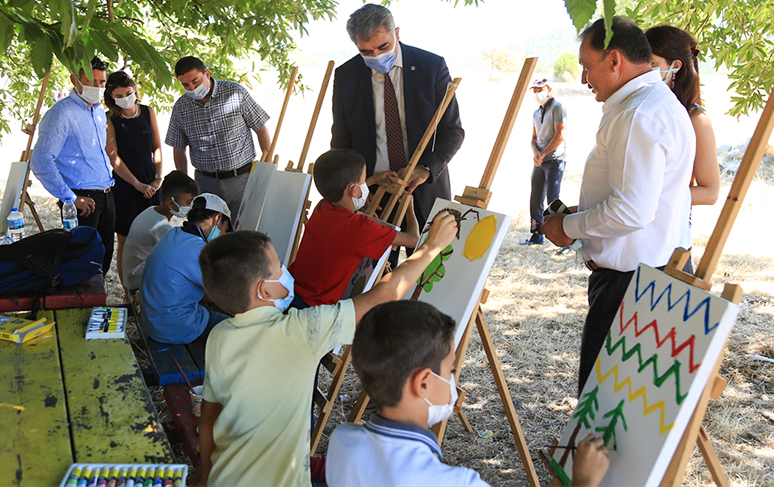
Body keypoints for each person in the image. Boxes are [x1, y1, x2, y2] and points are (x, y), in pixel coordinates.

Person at [194, 210, 459, 487]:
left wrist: (205, 475)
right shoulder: (300, 332)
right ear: (265, 290)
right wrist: (431, 247)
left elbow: (209, 416)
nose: (285, 272)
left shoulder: (219, 336)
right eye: (278, 267)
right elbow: (384, 295)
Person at [541, 17, 695, 394]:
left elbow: (632, 210)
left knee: (607, 406)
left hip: (633, 283)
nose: (582, 79)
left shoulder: (638, 114)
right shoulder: (652, 104)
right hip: (648, 273)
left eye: (586, 67)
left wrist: (568, 227)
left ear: (614, 61)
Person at [327, 301, 610, 487]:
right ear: (423, 383)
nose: (454, 381)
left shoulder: (343, 441)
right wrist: (583, 481)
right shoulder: (456, 483)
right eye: (449, 371)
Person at [331, 4, 465, 246]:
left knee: (432, 273)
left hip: (426, 190)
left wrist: (425, 169)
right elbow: (341, 144)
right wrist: (360, 188)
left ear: (397, 33)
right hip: (375, 195)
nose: (376, 56)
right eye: (366, 52)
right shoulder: (346, 75)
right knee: (379, 276)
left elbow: (453, 131)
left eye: (383, 46)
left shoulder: (431, 67)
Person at [289, 149, 420, 308]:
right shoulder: (361, 227)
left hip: (289, 293)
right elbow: (413, 240)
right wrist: (409, 207)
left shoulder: (322, 207)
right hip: (315, 310)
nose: (366, 185)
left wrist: (373, 180)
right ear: (354, 189)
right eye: (363, 181)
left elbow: (345, 191)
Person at [30, 56, 115, 275]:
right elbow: (41, 161)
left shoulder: (98, 111)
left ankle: (98, 305)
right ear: (74, 80)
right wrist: (70, 198)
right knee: (82, 262)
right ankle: (83, 306)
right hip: (82, 198)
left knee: (103, 260)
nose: (97, 87)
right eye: (91, 81)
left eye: (101, 82)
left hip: (106, 194)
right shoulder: (61, 113)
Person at [165, 56, 272, 215]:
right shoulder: (181, 108)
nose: (192, 88)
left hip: (242, 179)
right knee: (210, 235)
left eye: (196, 81)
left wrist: (267, 166)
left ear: (207, 74)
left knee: (244, 234)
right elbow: (179, 149)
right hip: (205, 183)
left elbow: (261, 129)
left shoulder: (236, 92)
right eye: (186, 85)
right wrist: (185, 183)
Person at [139, 193, 231, 344]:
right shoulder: (200, 250)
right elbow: (225, 295)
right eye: (224, 230)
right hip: (176, 327)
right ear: (217, 218)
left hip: (153, 321)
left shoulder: (173, 234)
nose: (222, 237)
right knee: (240, 328)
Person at [645, 25, 720, 206]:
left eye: (653, 64)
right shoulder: (643, 110)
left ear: (675, 66)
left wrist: (646, 199)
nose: (645, 71)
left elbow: (710, 192)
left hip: (666, 225)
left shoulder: (697, 119)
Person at [104, 71, 164, 289]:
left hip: (151, 180)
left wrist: (157, 178)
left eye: (128, 93)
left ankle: (152, 287)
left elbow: (156, 147)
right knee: (126, 240)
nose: (125, 98)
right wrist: (137, 184)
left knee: (155, 237)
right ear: (112, 97)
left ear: (135, 90)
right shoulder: (110, 119)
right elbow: (114, 157)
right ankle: (129, 291)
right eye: (119, 95)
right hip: (125, 186)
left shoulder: (148, 112)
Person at [121, 171, 199, 293]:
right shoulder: (161, 227)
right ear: (170, 203)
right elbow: (178, 258)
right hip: (139, 283)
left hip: (134, 276)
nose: (191, 207)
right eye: (188, 202)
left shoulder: (151, 210)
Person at [522, 78, 567, 247]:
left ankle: (565, 238)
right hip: (540, 161)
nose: (537, 93)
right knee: (535, 198)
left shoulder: (557, 107)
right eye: (534, 90)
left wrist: (544, 153)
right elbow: (533, 138)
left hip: (555, 159)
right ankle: (536, 234)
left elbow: (560, 134)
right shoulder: (536, 113)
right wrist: (536, 153)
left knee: (553, 200)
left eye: (540, 89)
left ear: (549, 89)